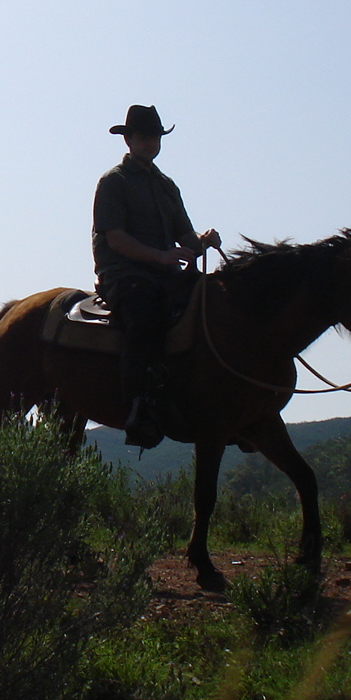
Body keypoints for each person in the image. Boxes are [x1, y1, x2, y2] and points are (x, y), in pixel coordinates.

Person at [92, 106, 221, 448]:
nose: (150, 144)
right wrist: (161, 256)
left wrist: (203, 242)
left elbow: (185, 236)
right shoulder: (113, 182)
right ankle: (138, 409)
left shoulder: (166, 186)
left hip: (166, 274)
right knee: (144, 316)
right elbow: (115, 239)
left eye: (155, 138)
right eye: (144, 137)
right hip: (124, 274)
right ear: (129, 139)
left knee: (213, 306)